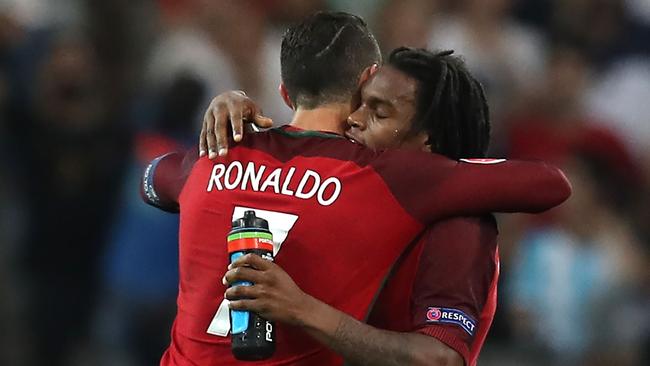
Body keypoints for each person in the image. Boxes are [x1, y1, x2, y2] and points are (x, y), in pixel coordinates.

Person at [143, 12, 570, 365]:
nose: (356, 120)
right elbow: (546, 183)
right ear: (366, 77)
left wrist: (222, 118)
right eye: (366, 104)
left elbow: (154, 180)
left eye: (379, 112)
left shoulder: (216, 158)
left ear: (284, 91)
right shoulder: (382, 178)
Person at [203, 47, 502, 365]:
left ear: (428, 140)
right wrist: (228, 108)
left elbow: (439, 359)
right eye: (359, 104)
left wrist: (302, 309)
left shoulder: (458, 228)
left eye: (379, 113)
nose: (353, 119)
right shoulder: (360, 200)